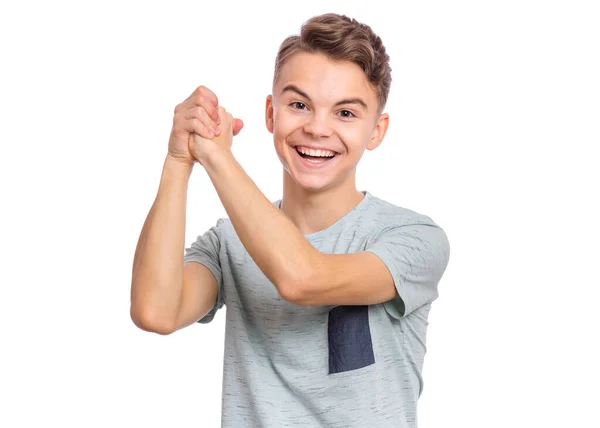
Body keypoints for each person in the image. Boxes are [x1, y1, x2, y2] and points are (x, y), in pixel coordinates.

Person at [131, 12, 450, 427]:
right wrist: (179, 159)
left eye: (346, 113)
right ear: (271, 113)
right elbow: (156, 311)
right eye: (299, 105)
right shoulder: (229, 242)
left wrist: (218, 157)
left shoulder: (413, 238)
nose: (318, 128)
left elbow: (302, 277)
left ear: (377, 130)